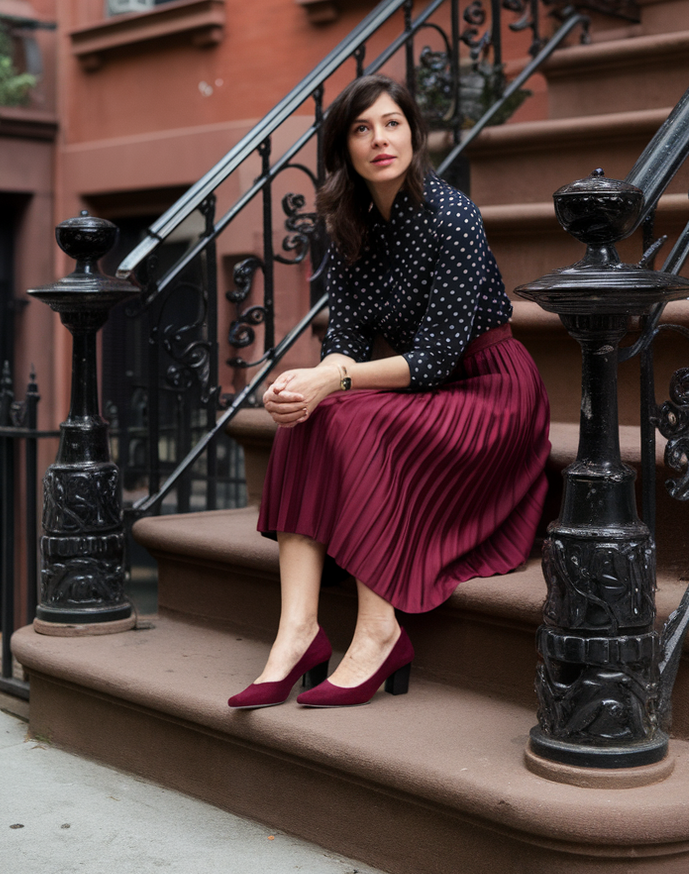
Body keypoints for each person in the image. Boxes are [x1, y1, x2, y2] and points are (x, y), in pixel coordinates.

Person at [227, 74, 551, 710]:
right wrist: (303, 385)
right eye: (362, 128)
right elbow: (343, 341)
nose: (381, 139)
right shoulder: (348, 226)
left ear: (413, 134)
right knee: (313, 416)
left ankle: (378, 630)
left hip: (491, 395)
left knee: (352, 417)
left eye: (393, 123)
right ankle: (298, 632)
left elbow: (433, 360)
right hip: (424, 391)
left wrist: (335, 379)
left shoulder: (453, 215)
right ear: (344, 148)